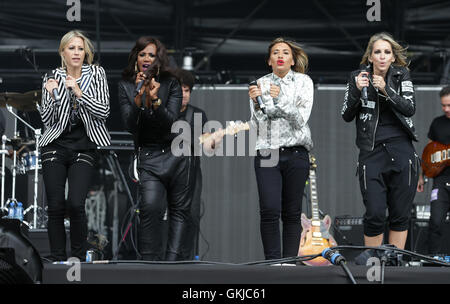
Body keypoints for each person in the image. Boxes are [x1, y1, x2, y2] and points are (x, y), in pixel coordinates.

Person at [341, 32, 419, 254]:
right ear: (370, 57)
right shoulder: (357, 76)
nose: (383, 56)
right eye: (378, 52)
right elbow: (346, 114)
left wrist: (386, 89)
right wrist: (357, 89)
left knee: (400, 214)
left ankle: (393, 267)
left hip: (402, 150)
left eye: (387, 52)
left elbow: (409, 108)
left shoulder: (402, 75)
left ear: (393, 57)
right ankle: (374, 267)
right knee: (375, 213)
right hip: (372, 151)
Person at [39, 30, 110, 261]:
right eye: (72, 48)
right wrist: (52, 96)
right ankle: (58, 258)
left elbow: (103, 111)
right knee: (56, 206)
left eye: (80, 48)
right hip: (55, 145)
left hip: (84, 145)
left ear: (86, 52)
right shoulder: (51, 76)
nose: (77, 53)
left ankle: (77, 258)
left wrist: (79, 93)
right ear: (63, 52)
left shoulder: (97, 74)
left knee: (76, 204)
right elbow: (49, 121)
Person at [118, 37, 192, 261]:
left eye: (151, 55)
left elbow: (171, 122)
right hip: (149, 155)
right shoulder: (126, 85)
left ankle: (172, 264)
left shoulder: (172, 83)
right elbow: (130, 125)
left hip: (177, 153)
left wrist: (156, 101)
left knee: (179, 211)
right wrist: (140, 99)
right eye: (142, 54)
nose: (147, 59)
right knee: (150, 208)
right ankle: (150, 265)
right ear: (136, 58)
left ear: (159, 59)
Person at [248, 37, 313, 260]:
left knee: (292, 213)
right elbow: (258, 122)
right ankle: (273, 264)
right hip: (267, 151)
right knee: (269, 210)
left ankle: (290, 265)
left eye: (285, 52)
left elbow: (300, 119)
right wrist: (257, 104)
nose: (280, 56)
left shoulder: (304, 82)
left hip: (296, 151)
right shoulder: (260, 83)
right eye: (275, 52)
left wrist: (280, 98)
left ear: (292, 60)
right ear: (269, 61)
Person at [417, 86, 450, 254]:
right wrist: (421, 176)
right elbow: (429, 152)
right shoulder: (438, 123)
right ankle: (433, 261)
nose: (446, 109)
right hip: (441, 180)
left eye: (449, 105)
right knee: (436, 221)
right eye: (443, 105)